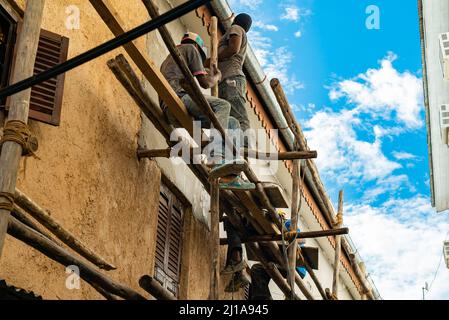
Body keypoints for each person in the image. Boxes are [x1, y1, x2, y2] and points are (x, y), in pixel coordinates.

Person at [160, 32, 254, 190]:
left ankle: (230, 174)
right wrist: (217, 76)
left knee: (232, 122)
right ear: (198, 47)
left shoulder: (171, 58)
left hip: (171, 109)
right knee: (223, 106)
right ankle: (217, 154)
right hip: (179, 98)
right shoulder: (190, 49)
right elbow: (205, 83)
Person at [217, 13, 253, 149]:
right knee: (230, 114)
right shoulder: (241, 31)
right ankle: (233, 145)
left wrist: (214, 58)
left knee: (237, 113)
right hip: (228, 79)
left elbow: (233, 49)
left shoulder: (236, 28)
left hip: (231, 78)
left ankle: (243, 144)